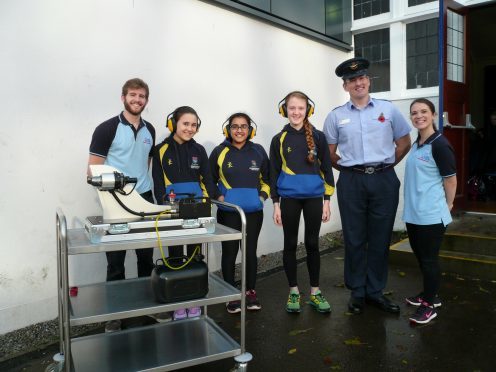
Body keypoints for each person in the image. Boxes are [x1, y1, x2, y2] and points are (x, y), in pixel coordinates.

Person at [323, 57, 412, 315]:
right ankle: (357, 292)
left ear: (369, 80)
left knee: (380, 237)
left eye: (361, 78)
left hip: (384, 179)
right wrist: (352, 170)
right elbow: (329, 154)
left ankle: (375, 291)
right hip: (352, 182)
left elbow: (404, 142)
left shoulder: (389, 109)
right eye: (352, 80)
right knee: (354, 236)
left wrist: (384, 166)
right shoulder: (336, 116)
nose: (358, 83)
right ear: (345, 86)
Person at [88, 78, 169, 331]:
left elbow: (144, 165)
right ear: (123, 97)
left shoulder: (151, 130)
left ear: (146, 100)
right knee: (116, 261)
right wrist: (120, 190)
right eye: (132, 95)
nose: (137, 100)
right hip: (115, 202)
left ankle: (149, 308)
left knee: (146, 257)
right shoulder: (106, 129)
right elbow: (92, 173)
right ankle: (115, 314)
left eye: (142, 96)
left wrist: (141, 191)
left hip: (144, 198)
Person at [270, 91, 335, 313]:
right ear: (284, 110)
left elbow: (327, 168)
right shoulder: (278, 139)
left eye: (300, 108)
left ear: (308, 110)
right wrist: (275, 204)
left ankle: (315, 293)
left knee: (312, 244)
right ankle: (294, 292)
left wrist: (327, 201)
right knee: (289, 244)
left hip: (314, 200)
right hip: (288, 200)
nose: (296, 112)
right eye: (292, 108)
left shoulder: (318, 137)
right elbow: (273, 173)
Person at [152, 106, 217, 320]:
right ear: (174, 124)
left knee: (195, 255)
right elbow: (159, 185)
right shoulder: (160, 150)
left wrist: (206, 205)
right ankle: (178, 303)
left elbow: (207, 180)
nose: (190, 128)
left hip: (197, 209)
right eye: (185, 124)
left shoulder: (199, 150)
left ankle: (194, 301)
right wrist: (165, 207)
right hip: (173, 211)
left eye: (193, 125)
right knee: (175, 256)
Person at [209, 113, 270, 313]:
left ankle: (250, 291)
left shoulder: (258, 151)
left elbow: (268, 179)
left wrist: (261, 197)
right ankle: (230, 294)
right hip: (229, 213)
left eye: (243, 126)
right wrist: (219, 198)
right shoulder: (219, 151)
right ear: (228, 129)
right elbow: (208, 180)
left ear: (250, 129)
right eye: (235, 126)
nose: (239, 130)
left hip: (253, 213)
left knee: (249, 251)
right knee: (229, 252)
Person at [403, 98, 457, 324]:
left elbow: (451, 180)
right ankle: (428, 295)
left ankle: (429, 305)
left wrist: (449, 205)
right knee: (421, 258)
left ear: (433, 115)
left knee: (429, 261)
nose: (419, 116)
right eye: (414, 113)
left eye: (424, 111)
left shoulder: (440, 144)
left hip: (431, 216)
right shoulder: (417, 144)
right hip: (414, 214)